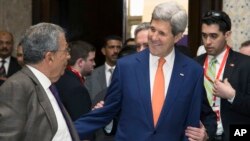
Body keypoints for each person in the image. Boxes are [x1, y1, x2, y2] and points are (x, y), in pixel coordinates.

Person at [75, 2, 205, 140]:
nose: (154, 37)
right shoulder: (126, 67)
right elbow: (106, 112)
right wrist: (65, 133)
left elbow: (191, 127)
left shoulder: (193, 72)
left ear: (178, 37)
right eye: (153, 29)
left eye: (162, 33)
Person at [0, 23, 80, 141]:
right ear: (49, 57)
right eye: (65, 50)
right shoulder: (17, 86)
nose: (68, 56)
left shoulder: (48, 84)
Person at [195, 10, 250, 141]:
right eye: (204, 35)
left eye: (213, 36)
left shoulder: (245, 64)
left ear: (227, 35)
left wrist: (232, 96)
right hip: (203, 136)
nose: (207, 42)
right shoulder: (194, 65)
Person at [84, 35, 122, 141]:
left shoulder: (127, 74)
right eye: (111, 47)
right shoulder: (91, 75)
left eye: (118, 47)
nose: (115, 51)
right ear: (103, 51)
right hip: (98, 134)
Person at [55, 40, 96, 121]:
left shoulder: (61, 77)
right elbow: (81, 123)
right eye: (91, 60)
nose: (94, 63)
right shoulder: (76, 89)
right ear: (80, 62)